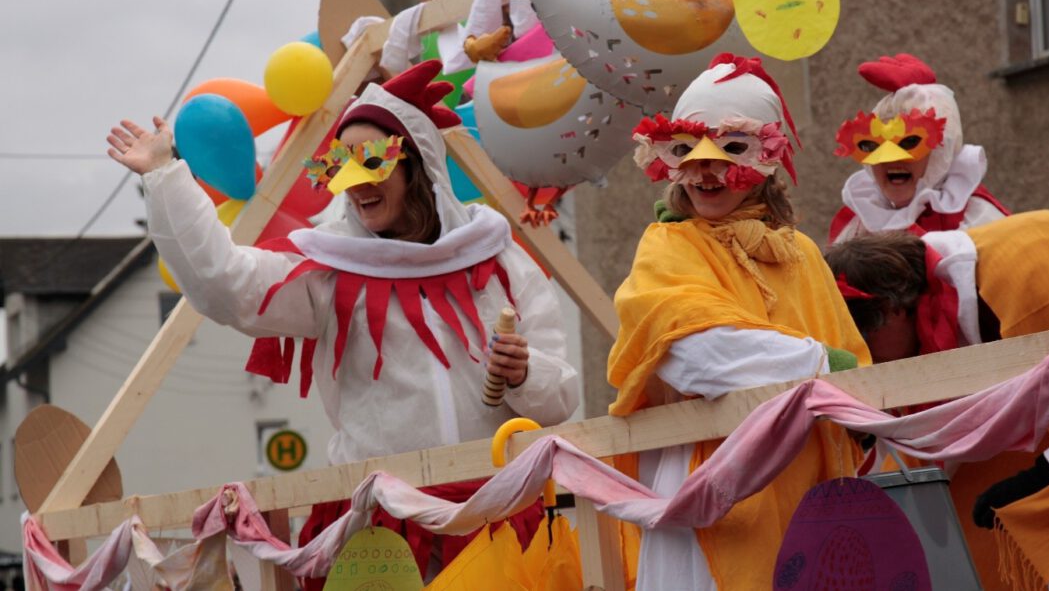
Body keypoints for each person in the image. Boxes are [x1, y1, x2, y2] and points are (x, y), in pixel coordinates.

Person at [106, 60, 580, 585]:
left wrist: (523, 373)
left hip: (502, 522)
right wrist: (165, 176)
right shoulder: (330, 272)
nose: (355, 185)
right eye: (341, 165)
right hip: (387, 539)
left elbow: (559, 400)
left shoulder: (499, 260)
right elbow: (225, 283)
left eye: (371, 162)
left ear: (416, 165)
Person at [607, 53, 871, 590]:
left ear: (766, 158)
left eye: (730, 150)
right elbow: (695, 352)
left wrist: (836, 376)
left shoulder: (800, 254)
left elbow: (858, 383)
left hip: (808, 487)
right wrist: (818, 364)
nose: (706, 171)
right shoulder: (668, 246)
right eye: (688, 152)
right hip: (715, 490)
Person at [826, 211, 1049, 589]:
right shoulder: (942, 299)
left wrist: (1047, 471)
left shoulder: (1028, 280)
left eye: (867, 347)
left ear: (892, 310)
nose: (872, 364)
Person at [829, 53, 1009, 244]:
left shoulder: (980, 222)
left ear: (941, 152)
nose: (889, 158)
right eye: (873, 145)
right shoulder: (858, 226)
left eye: (908, 142)